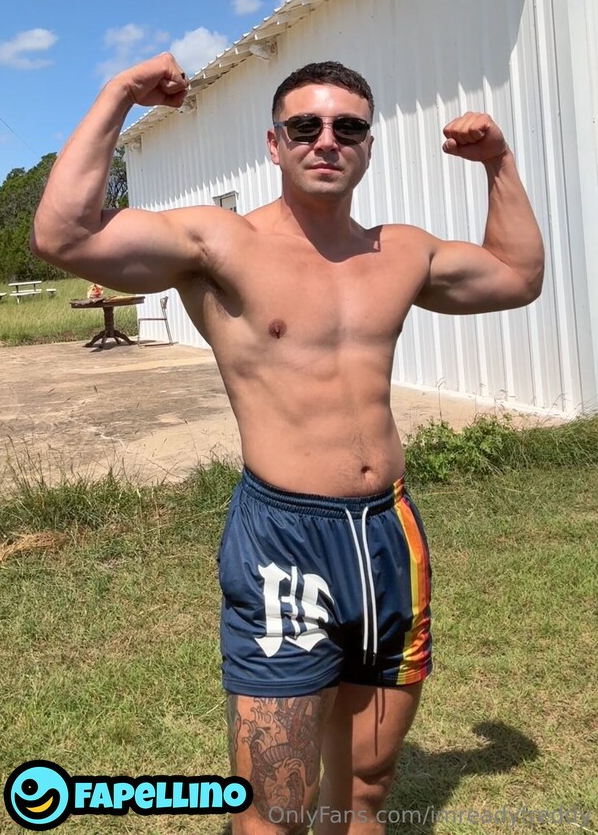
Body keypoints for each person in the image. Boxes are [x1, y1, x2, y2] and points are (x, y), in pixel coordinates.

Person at [31, 52, 544, 834]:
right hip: (283, 543)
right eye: (304, 126)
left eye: (347, 128)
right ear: (274, 145)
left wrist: (497, 162)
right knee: (276, 804)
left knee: (366, 784)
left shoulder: (399, 252)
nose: (325, 140)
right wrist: (121, 92)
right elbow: (62, 234)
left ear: (367, 146)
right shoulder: (218, 242)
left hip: (388, 536)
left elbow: (515, 275)